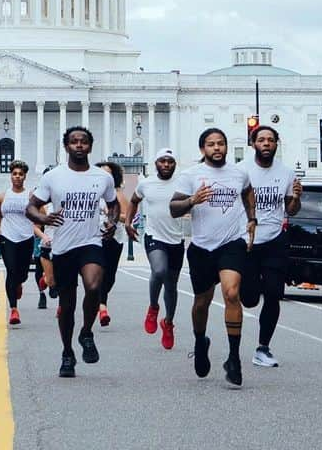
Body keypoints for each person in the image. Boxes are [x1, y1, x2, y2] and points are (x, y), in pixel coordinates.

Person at [27, 126, 119, 378]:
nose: (79, 145)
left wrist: (112, 221)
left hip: (91, 242)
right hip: (63, 247)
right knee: (67, 306)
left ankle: (86, 331)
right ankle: (67, 352)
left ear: (91, 146)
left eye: (84, 141)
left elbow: (113, 203)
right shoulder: (53, 177)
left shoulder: (102, 177)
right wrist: (44, 219)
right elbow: (31, 208)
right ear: (66, 146)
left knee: (92, 286)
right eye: (74, 142)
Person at [170, 128, 256, 388]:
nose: (216, 148)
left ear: (226, 147)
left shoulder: (238, 173)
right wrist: (192, 200)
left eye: (221, 144)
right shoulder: (190, 176)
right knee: (201, 302)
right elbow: (173, 208)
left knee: (231, 293)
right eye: (211, 144)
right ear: (202, 149)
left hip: (232, 243)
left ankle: (233, 358)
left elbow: (248, 193)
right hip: (202, 247)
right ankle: (200, 340)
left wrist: (252, 218)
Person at [241, 126, 301, 367]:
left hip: (275, 239)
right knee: (249, 298)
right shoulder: (241, 170)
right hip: (247, 240)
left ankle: (263, 348)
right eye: (261, 140)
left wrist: (296, 197)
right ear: (253, 143)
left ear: (277, 144)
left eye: (271, 140)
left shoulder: (286, 173)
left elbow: (291, 210)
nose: (266, 143)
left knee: (274, 294)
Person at [125, 148, 187, 350]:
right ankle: (153, 307)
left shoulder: (182, 183)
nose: (166, 165)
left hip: (176, 239)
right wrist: (128, 223)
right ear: (156, 163)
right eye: (162, 161)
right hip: (154, 236)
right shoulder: (146, 184)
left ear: (175, 164)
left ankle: (168, 322)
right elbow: (133, 202)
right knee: (159, 271)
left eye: (170, 161)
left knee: (171, 286)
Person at [0, 161, 35, 325]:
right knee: (11, 270)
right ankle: (13, 309)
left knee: (22, 274)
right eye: (14, 174)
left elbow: (38, 214)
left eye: (20, 174)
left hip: (26, 237)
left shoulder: (31, 196)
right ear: (10, 176)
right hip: (7, 237)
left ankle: (19, 283)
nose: (17, 177)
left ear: (25, 176)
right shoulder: (2, 196)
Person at [95, 160, 128, 328]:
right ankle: (102, 307)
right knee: (97, 273)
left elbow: (127, 217)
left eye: (107, 173)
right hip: (95, 238)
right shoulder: (92, 192)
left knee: (110, 275)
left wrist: (112, 214)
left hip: (115, 238)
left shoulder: (118, 194)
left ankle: (98, 300)